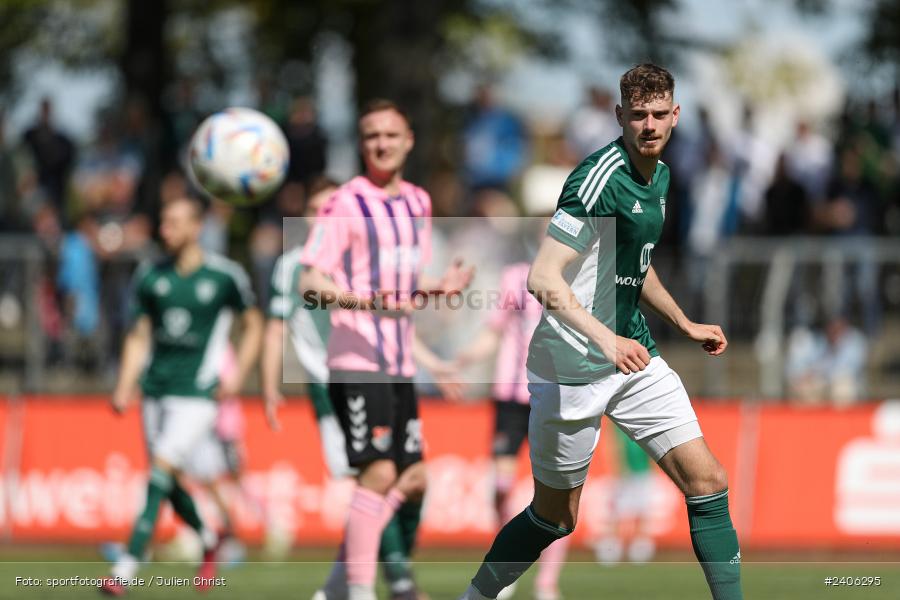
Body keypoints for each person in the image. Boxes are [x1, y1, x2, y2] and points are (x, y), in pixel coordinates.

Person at [458, 63, 742, 600]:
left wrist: (683, 322)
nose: (650, 125)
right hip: (570, 366)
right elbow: (543, 278)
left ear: (676, 116)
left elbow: (634, 261)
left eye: (660, 114)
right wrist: (606, 340)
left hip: (634, 355)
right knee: (555, 518)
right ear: (620, 117)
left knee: (709, 482)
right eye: (638, 115)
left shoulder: (660, 176)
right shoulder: (597, 179)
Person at [296, 99, 473, 600]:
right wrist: (364, 301)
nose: (382, 144)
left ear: (409, 140)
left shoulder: (417, 201)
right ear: (361, 143)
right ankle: (359, 591)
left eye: (391, 135)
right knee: (375, 474)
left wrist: (436, 287)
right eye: (372, 135)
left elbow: (402, 280)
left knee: (413, 476)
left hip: (398, 363)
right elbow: (311, 281)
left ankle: (336, 584)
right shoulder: (345, 203)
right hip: (357, 360)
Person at [100, 196, 263, 596]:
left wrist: (239, 373)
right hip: (155, 389)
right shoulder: (150, 275)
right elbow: (138, 336)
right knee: (168, 482)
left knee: (160, 471)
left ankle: (126, 567)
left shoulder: (224, 276)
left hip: (199, 395)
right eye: (163, 221)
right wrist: (125, 383)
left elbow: (254, 324)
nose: (165, 229)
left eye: (174, 222)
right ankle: (210, 538)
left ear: (196, 227)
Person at [454, 259, 569, 600]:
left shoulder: (581, 277)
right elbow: (495, 329)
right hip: (511, 396)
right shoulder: (515, 275)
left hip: (556, 395)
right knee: (501, 486)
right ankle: (508, 564)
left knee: (559, 492)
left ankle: (547, 582)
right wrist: (465, 358)